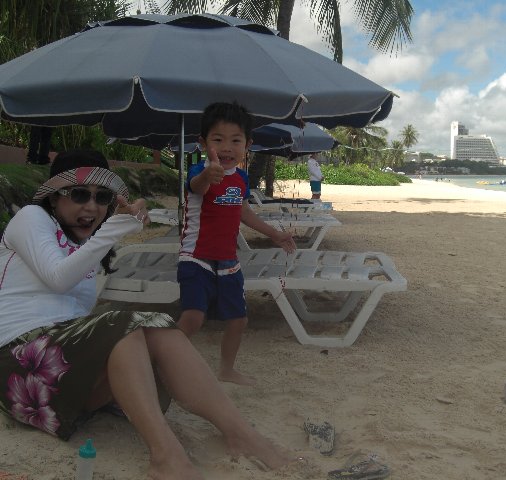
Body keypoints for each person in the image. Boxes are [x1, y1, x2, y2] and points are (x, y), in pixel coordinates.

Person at [0, 150, 291, 480]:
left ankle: (241, 433)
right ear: (54, 198)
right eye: (79, 194)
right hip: (17, 366)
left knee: (158, 326)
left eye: (102, 197)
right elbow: (57, 277)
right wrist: (115, 227)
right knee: (124, 323)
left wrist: (109, 230)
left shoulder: (87, 245)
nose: (92, 207)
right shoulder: (31, 218)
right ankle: (166, 456)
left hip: (66, 375)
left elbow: (78, 315)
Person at [177, 102, 296, 386]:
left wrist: (274, 234)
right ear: (203, 143)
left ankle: (226, 370)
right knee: (193, 317)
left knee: (238, 320)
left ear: (247, 145)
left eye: (235, 140)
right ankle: (163, 360)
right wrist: (208, 175)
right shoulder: (198, 171)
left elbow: (243, 212)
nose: (227, 148)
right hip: (196, 257)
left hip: (228, 260)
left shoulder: (241, 178)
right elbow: (198, 187)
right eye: (218, 140)